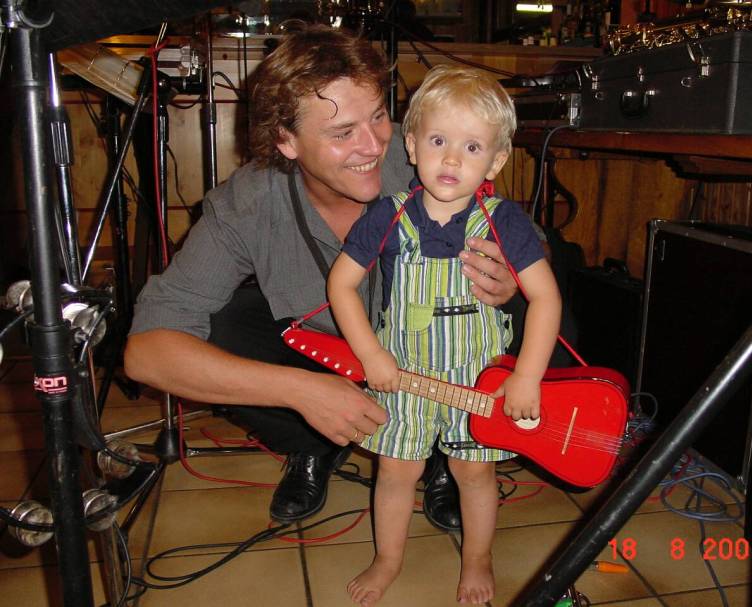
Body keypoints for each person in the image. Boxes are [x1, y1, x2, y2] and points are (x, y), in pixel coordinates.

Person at [123, 25, 519, 529]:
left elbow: (532, 244)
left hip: (440, 351)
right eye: (342, 133)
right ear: (286, 140)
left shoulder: (430, 152)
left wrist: (508, 278)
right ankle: (310, 445)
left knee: (543, 315)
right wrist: (300, 391)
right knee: (228, 326)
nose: (373, 146)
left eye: (378, 116)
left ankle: (448, 454)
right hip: (332, 360)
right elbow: (146, 351)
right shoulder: (247, 202)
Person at [327, 66, 562, 606]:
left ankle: (477, 557)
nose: (452, 159)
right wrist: (370, 354)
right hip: (402, 378)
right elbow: (340, 285)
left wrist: (527, 376)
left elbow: (546, 299)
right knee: (395, 472)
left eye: (472, 146)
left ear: (496, 161)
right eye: (438, 141)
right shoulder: (386, 216)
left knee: (474, 473)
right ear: (411, 145)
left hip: (478, 383)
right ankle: (388, 559)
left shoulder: (506, 222)